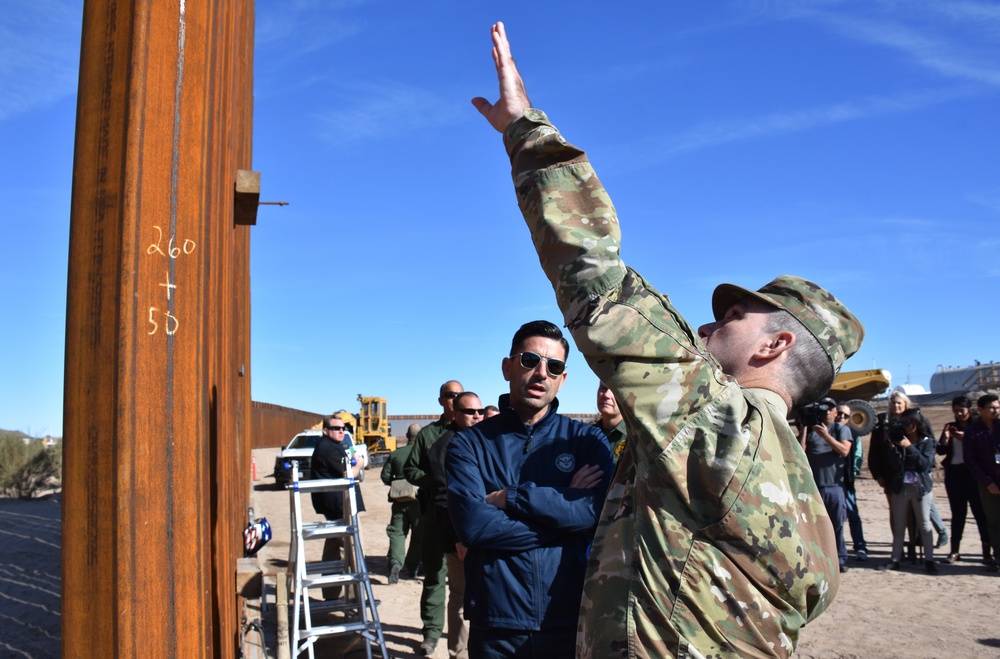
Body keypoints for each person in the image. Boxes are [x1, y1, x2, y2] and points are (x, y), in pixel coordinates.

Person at [471, 22, 864, 657]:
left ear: (774, 347)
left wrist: (526, 132)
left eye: (734, 316)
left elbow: (597, 282)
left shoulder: (721, 426)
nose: (708, 327)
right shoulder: (802, 494)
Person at [446, 321, 613, 658]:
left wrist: (513, 498)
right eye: (529, 360)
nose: (541, 373)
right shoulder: (469, 445)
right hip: (496, 625)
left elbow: (595, 514)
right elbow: (475, 526)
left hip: (568, 617)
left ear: (562, 379)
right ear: (508, 367)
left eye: (554, 367)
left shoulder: (587, 442)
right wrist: (564, 518)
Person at [404, 380, 464, 655]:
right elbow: (411, 470)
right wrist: (434, 481)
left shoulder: (471, 431)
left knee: (463, 583)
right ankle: (431, 632)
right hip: (432, 516)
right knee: (434, 575)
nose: (455, 399)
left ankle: (462, 641)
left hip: (463, 516)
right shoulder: (428, 436)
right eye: (451, 396)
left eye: (459, 395)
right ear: (441, 401)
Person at [428, 392, 486, 659]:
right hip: (460, 538)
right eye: (470, 412)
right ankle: (458, 653)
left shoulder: (477, 440)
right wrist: (458, 537)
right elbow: (443, 498)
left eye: (479, 411)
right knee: (461, 598)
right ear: (455, 413)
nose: (476, 416)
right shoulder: (445, 446)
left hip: (482, 533)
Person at [869, 391, 948, 555]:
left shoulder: (917, 420)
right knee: (895, 512)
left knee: (918, 513)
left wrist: (927, 467)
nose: (896, 406)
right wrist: (878, 474)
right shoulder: (883, 423)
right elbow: (875, 451)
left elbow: (929, 443)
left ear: (906, 404)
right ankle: (899, 550)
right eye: (893, 403)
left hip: (918, 473)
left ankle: (915, 544)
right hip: (892, 473)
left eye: (899, 403)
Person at [877, 409, 939, 574]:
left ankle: (929, 560)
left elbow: (925, 464)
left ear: (917, 423)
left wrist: (909, 447)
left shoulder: (928, 441)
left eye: (910, 423)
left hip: (921, 489)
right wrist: (892, 447)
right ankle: (895, 560)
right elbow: (895, 466)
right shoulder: (899, 440)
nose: (907, 427)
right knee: (899, 526)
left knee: (925, 525)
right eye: (904, 423)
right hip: (901, 488)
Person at [311, 416, 366, 600]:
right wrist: (358, 466)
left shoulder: (335, 447)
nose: (341, 431)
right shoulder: (327, 449)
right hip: (341, 507)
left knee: (333, 551)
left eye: (344, 428)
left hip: (338, 505)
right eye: (336, 428)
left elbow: (349, 460)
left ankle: (332, 593)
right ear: (325, 430)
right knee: (352, 552)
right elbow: (349, 474)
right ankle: (354, 599)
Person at [800, 399, 852, 573]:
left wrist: (826, 436)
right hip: (815, 487)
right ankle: (818, 559)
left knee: (837, 525)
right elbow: (800, 451)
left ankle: (840, 558)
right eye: (824, 409)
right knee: (815, 527)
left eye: (831, 409)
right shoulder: (813, 430)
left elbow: (844, 451)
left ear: (836, 413)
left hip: (834, 486)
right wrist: (806, 427)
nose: (828, 412)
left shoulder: (841, 430)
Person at [937, 395, 990, 564]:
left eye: (962, 410)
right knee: (958, 513)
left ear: (969, 409)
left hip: (974, 474)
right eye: (956, 411)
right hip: (954, 472)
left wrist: (966, 437)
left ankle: (986, 552)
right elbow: (940, 450)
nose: (959, 414)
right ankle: (955, 551)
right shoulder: (950, 427)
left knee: (980, 514)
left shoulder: (977, 427)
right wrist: (946, 438)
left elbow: (984, 448)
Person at [381, 423, 423, 583]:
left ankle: (396, 563)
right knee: (418, 535)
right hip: (419, 501)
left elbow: (385, 477)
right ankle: (412, 567)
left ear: (407, 435)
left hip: (399, 501)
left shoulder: (396, 454)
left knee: (397, 533)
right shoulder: (423, 454)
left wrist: (398, 484)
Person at [963, 394, 1000, 573]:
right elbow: (970, 461)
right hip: (988, 484)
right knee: (993, 521)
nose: (995, 411)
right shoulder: (973, 432)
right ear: (981, 410)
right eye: (991, 408)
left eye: (997, 408)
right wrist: (988, 482)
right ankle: (998, 557)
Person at [837, 404, 868, 561]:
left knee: (853, 514)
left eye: (845, 415)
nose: (841, 417)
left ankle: (860, 546)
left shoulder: (853, 434)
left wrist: (852, 473)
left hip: (846, 481)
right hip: (830, 482)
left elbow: (857, 457)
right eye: (839, 413)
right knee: (836, 519)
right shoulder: (829, 431)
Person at [594, 382, 626, 463]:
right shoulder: (586, 435)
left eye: (614, 390)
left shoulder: (636, 438)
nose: (606, 395)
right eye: (603, 388)